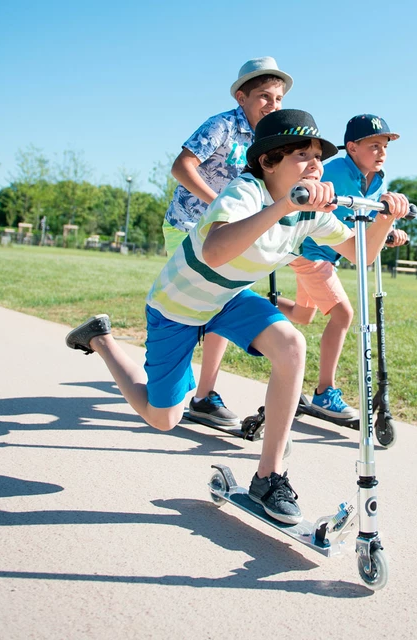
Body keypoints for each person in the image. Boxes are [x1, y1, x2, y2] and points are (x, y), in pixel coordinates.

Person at [65, 109, 409, 525]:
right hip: (179, 305)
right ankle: (101, 340)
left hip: (228, 297)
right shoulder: (245, 191)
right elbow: (214, 252)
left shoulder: (310, 210)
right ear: (268, 161)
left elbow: (362, 252)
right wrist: (283, 205)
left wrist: (385, 217)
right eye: (303, 154)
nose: (316, 164)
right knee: (163, 418)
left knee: (290, 345)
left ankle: (269, 477)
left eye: (318, 155)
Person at [163, 56, 293, 429]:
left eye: (278, 99)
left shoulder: (270, 140)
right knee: (197, 303)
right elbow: (181, 166)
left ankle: (203, 396)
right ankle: (174, 387)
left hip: (233, 232)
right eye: (264, 97)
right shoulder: (221, 125)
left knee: (224, 300)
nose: (272, 105)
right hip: (189, 224)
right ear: (242, 97)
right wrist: (216, 206)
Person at [276, 114, 409, 420]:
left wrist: (386, 232)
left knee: (303, 315)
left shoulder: (378, 180)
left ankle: (257, 303)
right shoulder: (332, 171)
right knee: (343, 314)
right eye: (374, 145)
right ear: (351, 147)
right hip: (309, 251)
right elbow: (302, 200)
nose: (382, 152)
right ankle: (325, 392)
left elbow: (361, 223)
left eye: (385, 146)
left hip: (331, 252)